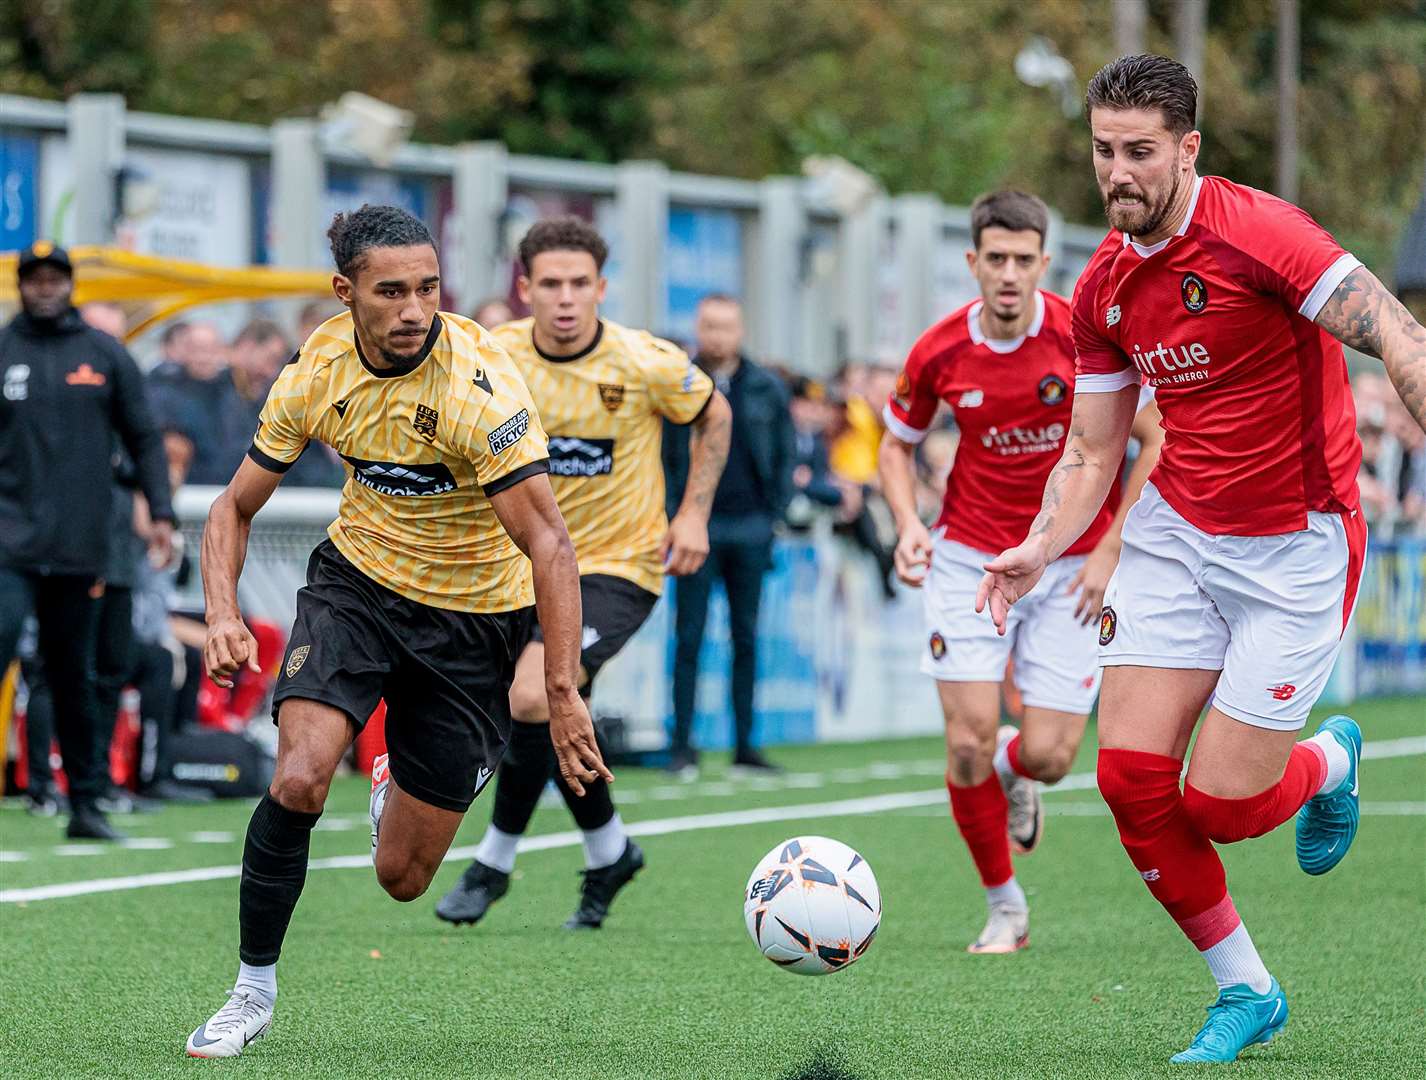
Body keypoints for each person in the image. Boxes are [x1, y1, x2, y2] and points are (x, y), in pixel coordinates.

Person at [976, 54, 1426, 1063]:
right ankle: (1246, 991)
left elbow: (1397, 333)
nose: (1117, 173)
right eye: (1102, 151)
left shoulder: (1262, 234)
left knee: (1219, 808)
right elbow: (1093, 448)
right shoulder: (1102, 285)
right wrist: (1040, 546)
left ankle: (1327, 763)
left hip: (1295, 547)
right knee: (1132, 781)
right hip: (1176, 540)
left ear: (1186, 148)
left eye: (1138, 152)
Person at [185, 204, 608, 1058]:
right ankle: (251, 991)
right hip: (357, 590)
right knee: (300, 778)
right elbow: (232, 507)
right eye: (391, 291)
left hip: (475, 626)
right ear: (346, 294)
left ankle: (392, 769)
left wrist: (561, 694)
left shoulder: (478, 390)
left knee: (403, 879)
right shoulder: (313, 375)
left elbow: (551, 544)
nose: (415, 309)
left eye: (428, 288)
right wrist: (222, 611)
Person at [879, 190, 1165, 956]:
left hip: (1071, 562)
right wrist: (909, 524)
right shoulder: (938, 350)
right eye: (994, 259)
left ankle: (1019, 771)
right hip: (969, 556)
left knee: (1049, 757)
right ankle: (1005, 908)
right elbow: (894, 444)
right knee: (966, 741)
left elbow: (1154, 435)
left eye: (1023, 259)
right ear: (972, 264)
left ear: (1045, 263)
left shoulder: (1083, 339)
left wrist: (1110, 549)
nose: (1008, 273)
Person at [436, 216, 731, 930]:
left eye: (579, 285)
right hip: (518, 571)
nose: (565, 299)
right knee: (553, 714)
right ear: (526, 289)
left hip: (614, 568)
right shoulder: (493, 356)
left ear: (600, 288)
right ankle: (609, 851)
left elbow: (713, 414)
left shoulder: (643, 360)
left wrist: (692, 516)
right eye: (550, 285)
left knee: (537, 695)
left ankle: (495, 861)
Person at [0, 243, 174, 840]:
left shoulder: (105, 355)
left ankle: (87, 805)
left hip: (79, 547)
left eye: (55, 278)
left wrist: (164, 514)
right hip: (9, 543)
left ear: (70, 284)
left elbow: (146, 438)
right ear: (21, 286)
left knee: (75, 673)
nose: (45, 287)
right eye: (34, 279)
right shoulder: (3, 350)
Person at [664, 294, 794, 776]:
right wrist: (673, 515)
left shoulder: (765, 387)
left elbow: (785, 452)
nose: (716, 335)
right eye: (709, 325)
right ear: (698, 327)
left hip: (750, 527)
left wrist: (772, 516)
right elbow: (664, 455)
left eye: (725, 326)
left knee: (746, 638)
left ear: (740, 330)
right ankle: (681, 747)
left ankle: (745, 746)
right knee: (689, 639)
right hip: (694, 527)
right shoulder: (679, 382)